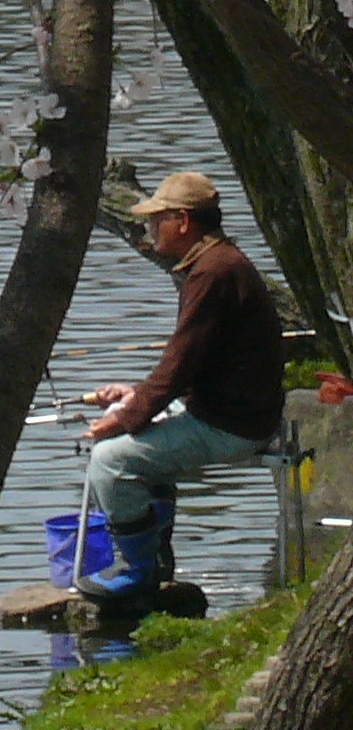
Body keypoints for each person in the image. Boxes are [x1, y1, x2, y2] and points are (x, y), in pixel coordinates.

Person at [78, 169, 282, 621]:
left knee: (109, 460)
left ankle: (137, 568)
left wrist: (127, 417)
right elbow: (193, 362)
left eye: (158, 219)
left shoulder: (212, 273)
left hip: (232, 426)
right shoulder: (218, 263)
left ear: (184, 221)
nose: (152, 228)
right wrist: (135, 397)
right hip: (233, 411)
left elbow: (180, 361)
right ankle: (156, 560)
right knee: (134, 433)